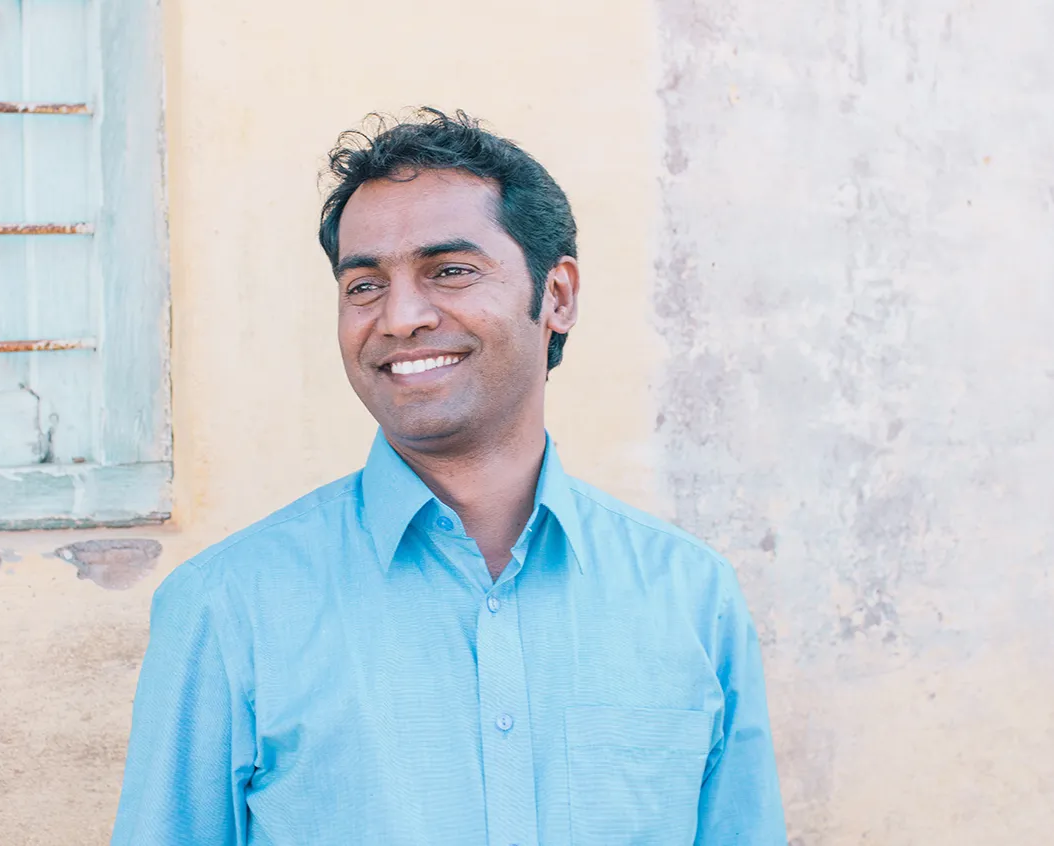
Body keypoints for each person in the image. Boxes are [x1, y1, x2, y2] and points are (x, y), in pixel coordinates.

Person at [111, 108, 786, 845]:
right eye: (363, 284)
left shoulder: (692, 598)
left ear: (556, 296)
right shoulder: (226, 608)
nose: (399, 317)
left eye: (450, 271)